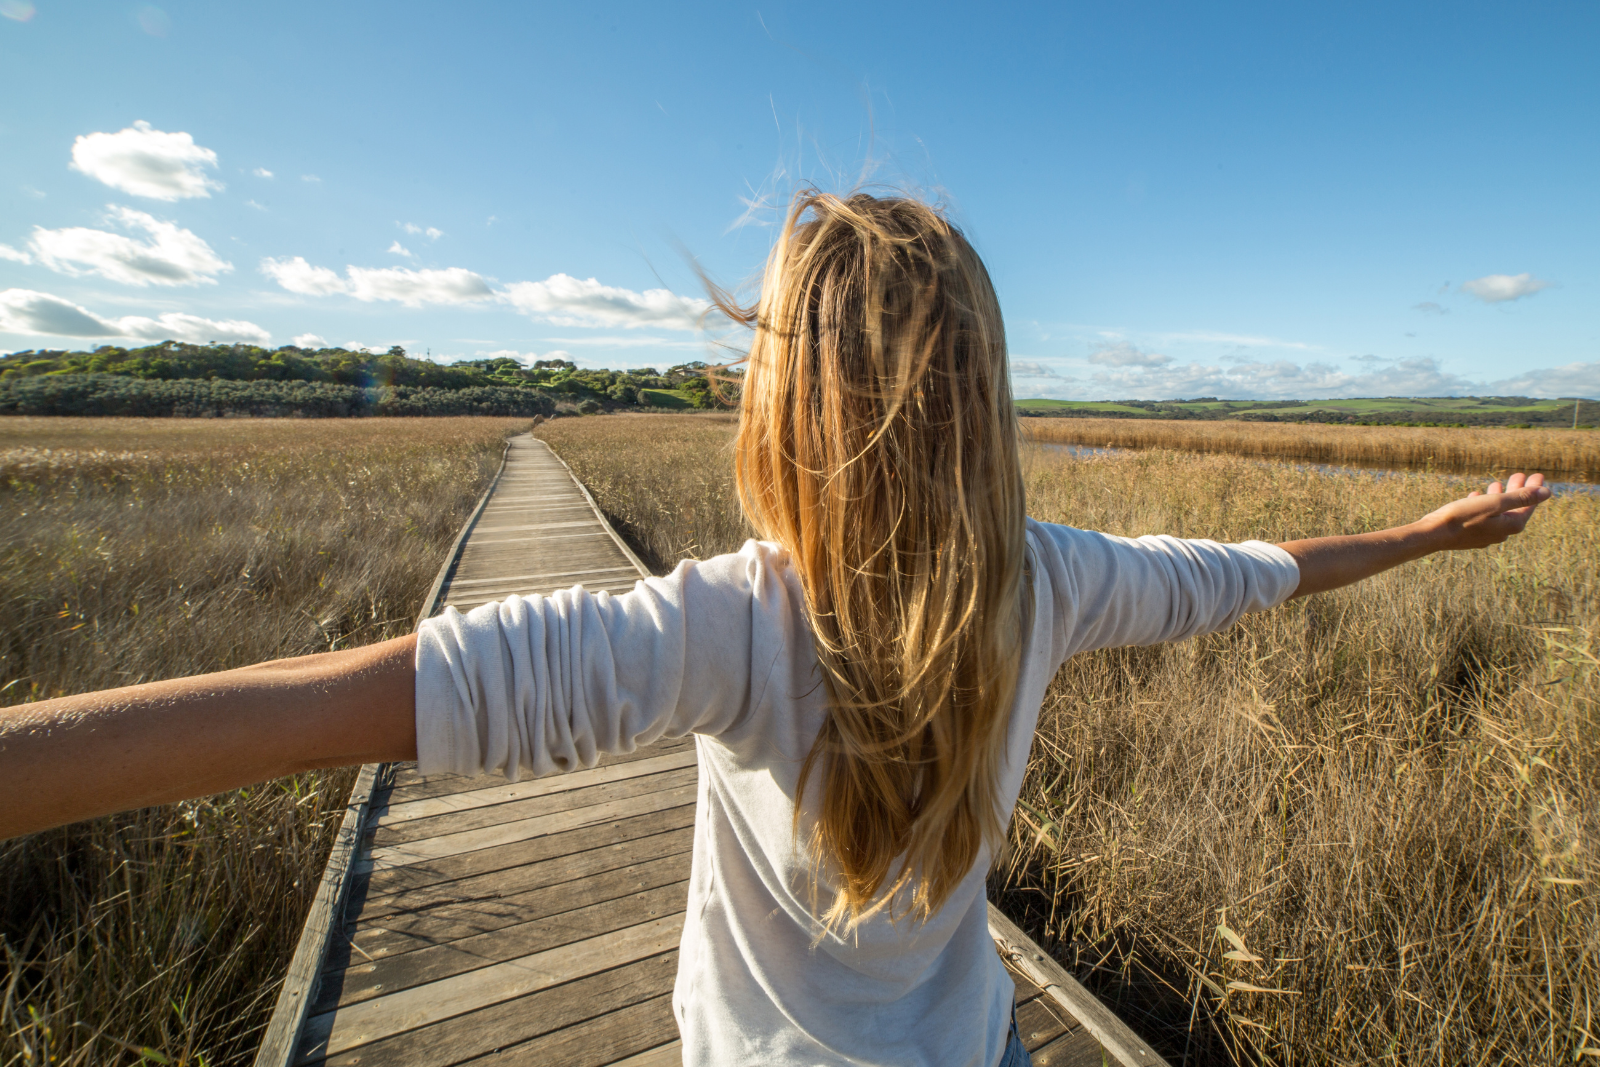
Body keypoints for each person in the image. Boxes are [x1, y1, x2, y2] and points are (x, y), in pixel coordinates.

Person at [0, 192, 1549, 1067]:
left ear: (785, 410)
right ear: (987, 404)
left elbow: (310, 709)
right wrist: (1435, 530)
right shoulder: (1051, 580)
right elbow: (1250, 569)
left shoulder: (725, 627)